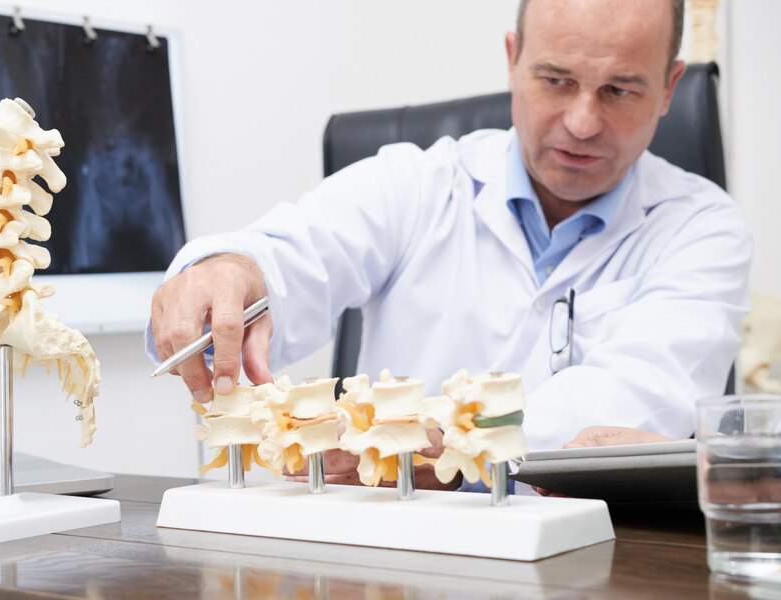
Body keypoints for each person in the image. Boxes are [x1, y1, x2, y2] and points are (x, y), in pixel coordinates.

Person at [148, 0, 751, 490]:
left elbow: (629, 409)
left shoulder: (702, 228)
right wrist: (225, 273)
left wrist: (432, 436)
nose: (583, 121)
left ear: (670, 88)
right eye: (556, 80)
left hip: (591, 560)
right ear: (513, 61)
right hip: (393, 555)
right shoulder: (415, 182)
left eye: (620, 90)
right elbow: (289, 255)